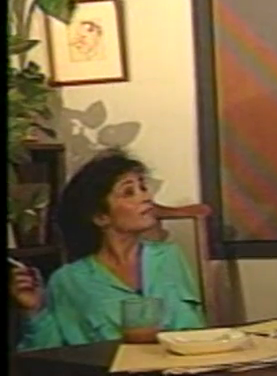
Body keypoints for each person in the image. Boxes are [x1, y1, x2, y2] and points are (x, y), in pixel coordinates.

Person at [10, 149, 205, 350]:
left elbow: (195, 331)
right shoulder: (69, 281)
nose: (146, 197)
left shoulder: (169, 257)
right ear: (101, 217)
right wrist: (35, 310)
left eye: (143, 187)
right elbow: (47, 355)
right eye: (129, 192)